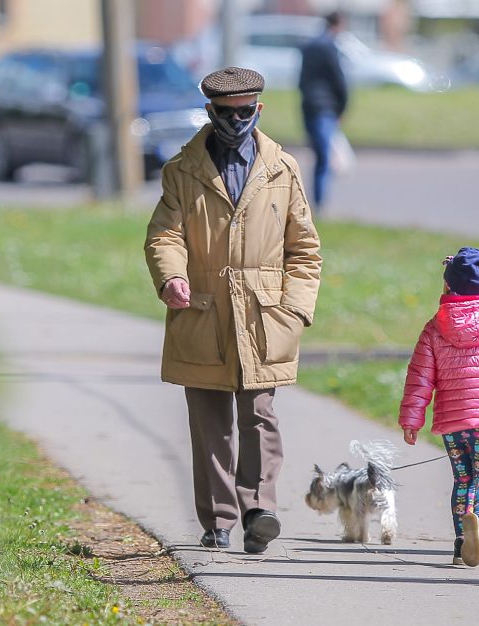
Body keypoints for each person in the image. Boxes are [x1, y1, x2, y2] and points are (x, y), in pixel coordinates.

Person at [144, 66, 322, 554]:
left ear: (259, 110)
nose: (237, 121)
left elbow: (304, 249)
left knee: (259, 416)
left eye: (246, 112)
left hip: (265, 318)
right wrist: (172, 276)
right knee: (210, 424)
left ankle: (258, 511)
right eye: (227, 113)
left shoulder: (282, 168)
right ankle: (219, 520)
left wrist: (296, 310)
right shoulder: (181, 170)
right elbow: (165, 234)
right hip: (201, 312)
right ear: (210, 112)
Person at [399, 247, 479, 567]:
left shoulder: (433, 329)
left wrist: (411, 420)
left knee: (463, 479)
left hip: (453, 424)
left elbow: (419, 378)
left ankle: (460, 544)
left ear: (447, 286)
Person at [299, 10, 349, 212]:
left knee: (318, 154)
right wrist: (342, 107)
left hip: (308, 105)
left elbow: (301, 80)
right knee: (323, 157)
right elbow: (339, 80)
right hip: (325, 107)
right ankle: (320, 204)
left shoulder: (309, 46)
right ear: (338, 24)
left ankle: (316, 200)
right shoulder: (329, 46)